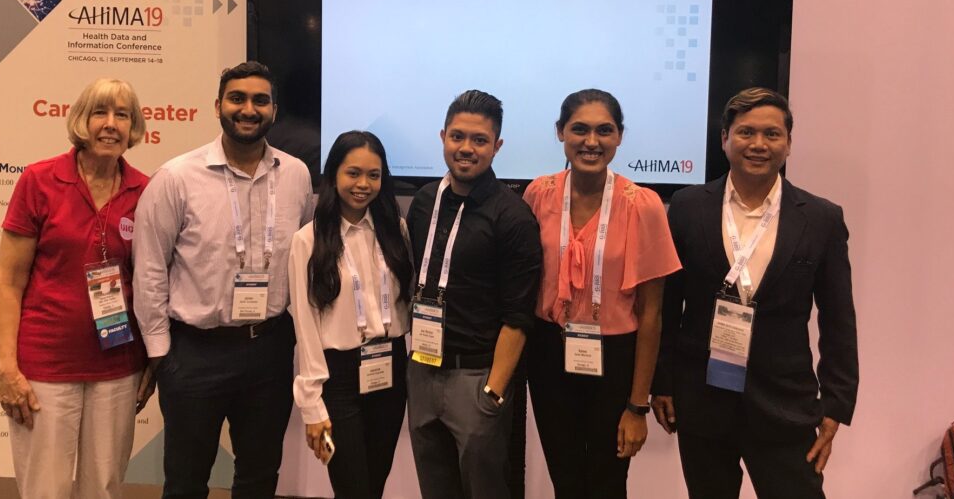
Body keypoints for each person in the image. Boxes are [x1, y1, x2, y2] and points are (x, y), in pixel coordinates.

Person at [652, 87, 858, 499]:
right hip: (703, 399)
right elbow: (668, 305)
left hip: (785, 404)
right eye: (746, 132)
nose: (759, 144)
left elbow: (839, 319)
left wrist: (837, 405)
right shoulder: (688, 207)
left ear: (788, 144)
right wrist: (663, 382)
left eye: (772, 134)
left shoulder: (821, 218)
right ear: (724, 138)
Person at [132, 61, 314, 498]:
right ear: (218, 106)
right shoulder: (176, 178)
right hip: (195, 353)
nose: (248, 109)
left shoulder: (296, 175)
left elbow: (302, 253)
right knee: (186, 480)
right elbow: (150, 267)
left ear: (274, 109)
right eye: (237, 98)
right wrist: (160, 353)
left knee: (259, 477)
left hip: (268, 349)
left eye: (259, 100)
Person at [0, 77, 152, 499]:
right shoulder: (39, 180)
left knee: (104, 487)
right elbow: (9, 281)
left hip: (118, 365)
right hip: (45, 365)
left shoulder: (146, 190)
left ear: (134, 127)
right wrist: (7, 367)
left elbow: (154, 284)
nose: (110, 124)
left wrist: (152, 361)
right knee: (46, 488)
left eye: (122, 115)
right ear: (82, 120)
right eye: (100, 112)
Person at [523, 89, 681, 498]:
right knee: (566, 477)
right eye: (579, 129)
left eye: (604, 131)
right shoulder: (537, 194)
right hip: (548, 353)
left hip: (615, 358)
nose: (591, 141)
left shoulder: (642, 205)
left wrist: (637, 406)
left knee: (608, 481)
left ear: (619, 137)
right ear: (560, 133)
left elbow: (652, 315)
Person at [405, 90, 542, 499]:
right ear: (443, 136)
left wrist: (494, 390)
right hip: (423, 369)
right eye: (458, 137)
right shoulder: (424, 202)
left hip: (477, 377)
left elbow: (518, 316)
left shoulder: (513, 216)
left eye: (480, 140)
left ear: (497, 146)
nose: (467, 149)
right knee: (435, 487)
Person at [288, 131, 413, 499]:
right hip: (337, 377)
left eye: (373, 175)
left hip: (390, 370)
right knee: (351, 486)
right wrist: (311, 405)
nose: (363, 184)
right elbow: (305, 325)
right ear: (333, 175)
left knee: (374, 484)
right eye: (353, 173)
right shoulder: (307, 241)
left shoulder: (396, 229)